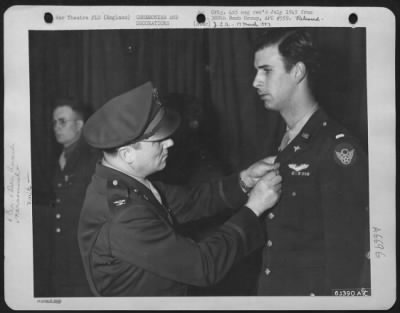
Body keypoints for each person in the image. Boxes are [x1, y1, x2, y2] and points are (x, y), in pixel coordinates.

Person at [78, 81, 282, 296]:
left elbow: (193, 200)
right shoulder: (124, 213)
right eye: (159, 141)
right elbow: (203, 266)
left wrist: (245, 179)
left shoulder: (131, 183)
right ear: (128, 154)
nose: (169, 144)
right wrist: (254, 209)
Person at [252, 28, 370, 296]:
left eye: (266, 70)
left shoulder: (336, 148)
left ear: (297, 72)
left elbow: (347, 260)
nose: (256, 82)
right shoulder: (284, 139)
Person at [50, 99, 99, 296]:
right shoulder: (61, 156)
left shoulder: (93, 157)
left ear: (79, 125)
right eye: (54, 123)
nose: (56, 127)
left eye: (62, 122)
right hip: (63, 249)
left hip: (84, 251)